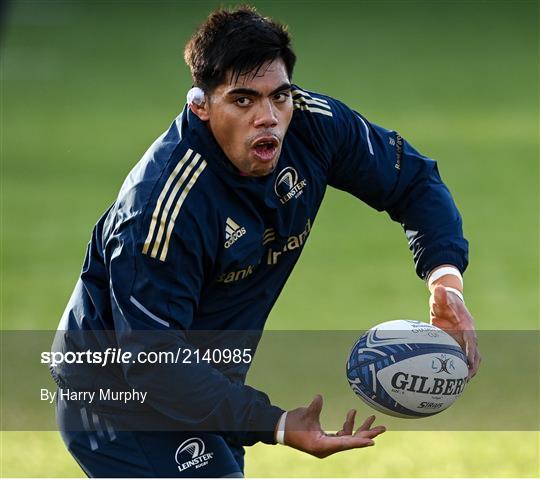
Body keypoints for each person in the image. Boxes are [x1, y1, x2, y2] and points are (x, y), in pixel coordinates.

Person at [51, 6, 480, 478]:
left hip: (206, 383)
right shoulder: (162, 208)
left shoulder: (314, 126)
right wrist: (276, 423)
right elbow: (152, 363)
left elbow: (413, 182)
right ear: (201, 104)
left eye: (280, 96)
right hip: (119, 397)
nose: (268, 118)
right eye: (243, 101)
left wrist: (446, 282)